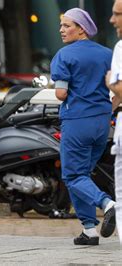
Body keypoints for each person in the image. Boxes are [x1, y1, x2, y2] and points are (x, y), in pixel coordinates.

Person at [50, 8, 116, 245]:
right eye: (61, 26)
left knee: (73, 174)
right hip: (102, 123)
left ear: (81, 29)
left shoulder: (63, 55)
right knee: (81, 176)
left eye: (67, 26)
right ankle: (89, 230)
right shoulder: (108, 54)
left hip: (77, 121)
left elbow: (60, 93)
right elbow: (116, 89)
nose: (61, 30)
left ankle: (109, 204)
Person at [106, 0, 122, 245]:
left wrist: (111, 82)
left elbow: (119, 88)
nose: (112, 20)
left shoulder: (120, 47)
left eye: (117, 14)